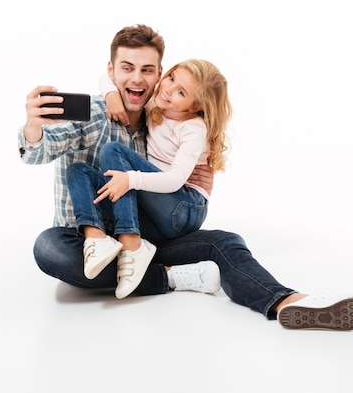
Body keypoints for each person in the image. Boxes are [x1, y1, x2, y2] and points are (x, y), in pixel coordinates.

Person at [18, 24, 353, 330]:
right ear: (112, 71)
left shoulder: (160, 109)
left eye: (148, 70)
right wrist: (35, 125)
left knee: (225, 241)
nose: (138, 78)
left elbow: (179, 135)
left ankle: (288, 302)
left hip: (145, 236)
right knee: (48, 247)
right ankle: (176, 278)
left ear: (159, 76)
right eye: (126, 68)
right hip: (89, 241)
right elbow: (39, 150)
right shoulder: (95, 112)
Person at [66, 59, 232, 299]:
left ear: (196, 106)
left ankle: (131, 245)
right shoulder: (157, 102)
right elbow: (106, 77)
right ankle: (98, 238)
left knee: (113, 151)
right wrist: (112, 96)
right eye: (172, 78)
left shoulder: (193, 128)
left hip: (185, 207)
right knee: (77, 171)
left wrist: (130, 179)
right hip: (156, 212)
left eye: (181, 92)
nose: (168, 89)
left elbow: (175, 180)